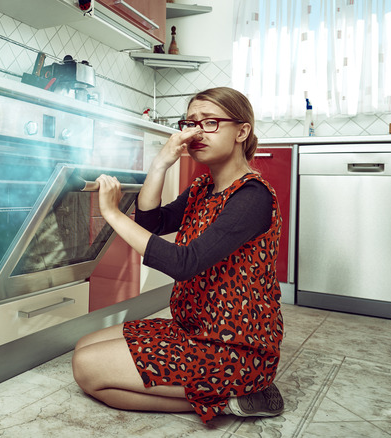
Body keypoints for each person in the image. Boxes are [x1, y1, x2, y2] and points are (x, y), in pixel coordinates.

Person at [71, 87, 285, 423]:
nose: (197, 132)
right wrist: (160, 163)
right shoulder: (202, 188)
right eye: (191, 123)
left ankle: (238, 395)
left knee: (87, 369)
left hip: (235, 347)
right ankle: (222, 395)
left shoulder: (252, 196)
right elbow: (151, 222)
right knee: (85, 346)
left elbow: (183, 264)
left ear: (242, 131)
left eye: (210, 122)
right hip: (194, 328)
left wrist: (112, 214)